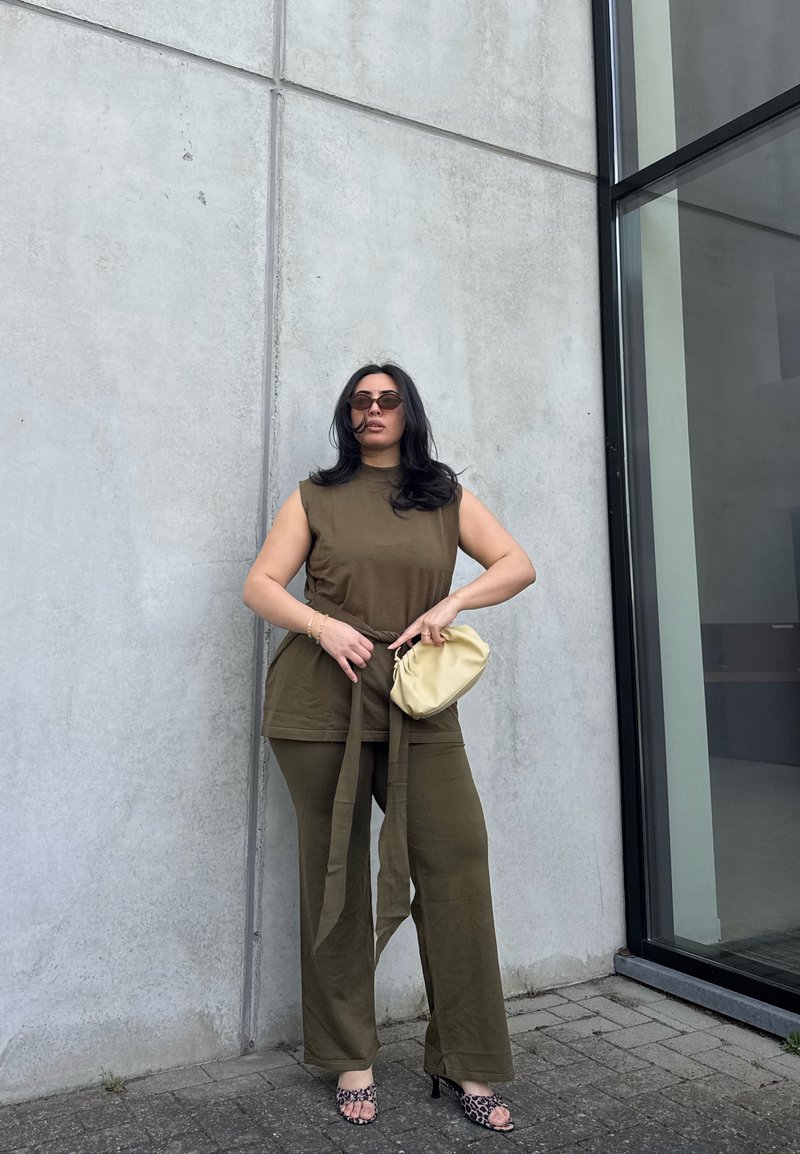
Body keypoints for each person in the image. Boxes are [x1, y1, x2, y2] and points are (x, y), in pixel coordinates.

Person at [242, 362, 536, 1132]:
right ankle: (350, 1056)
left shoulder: (443, 495)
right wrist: (321, 623)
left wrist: (453, 600)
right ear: (348, 416)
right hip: (318, 706)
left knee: (456, 864)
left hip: (414, 702)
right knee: (335, 874)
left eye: (386, 399)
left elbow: (516, 565)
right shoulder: (316, 496)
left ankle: (468, 1062)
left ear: (408, 411)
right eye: (358, 401)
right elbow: (262, 584)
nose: (371, 410)